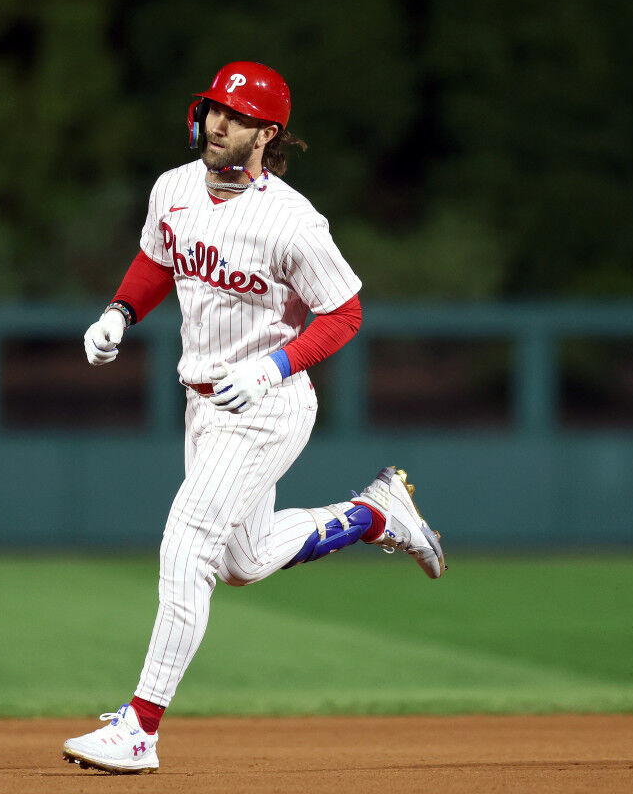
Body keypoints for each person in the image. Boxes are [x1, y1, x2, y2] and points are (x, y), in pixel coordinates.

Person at [61, 61, 446, 775]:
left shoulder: (293, 222)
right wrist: (118, 313)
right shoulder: (173, 189)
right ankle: (374, 515)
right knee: (240, 561)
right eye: (212, 110)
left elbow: (345, 312)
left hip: (268, 403)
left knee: (188, 542)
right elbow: (155, 262)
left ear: (266, 134)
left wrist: (273, 366)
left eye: (235, 117)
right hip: (202, 402)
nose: (217, 124)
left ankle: (140, 728)